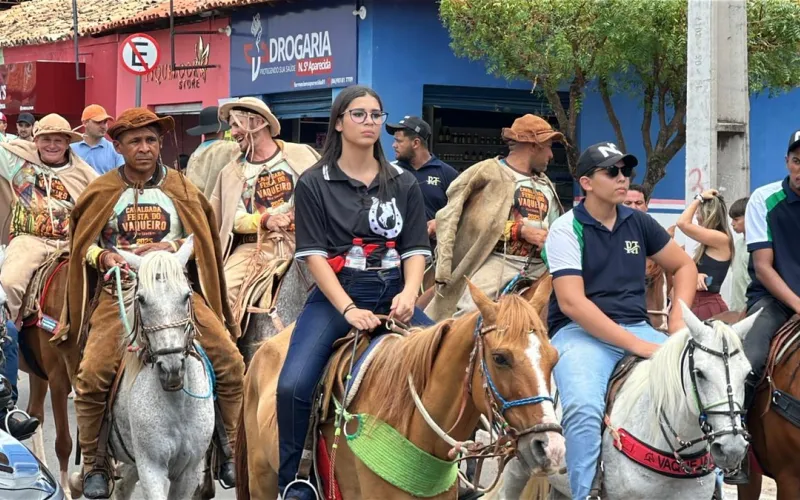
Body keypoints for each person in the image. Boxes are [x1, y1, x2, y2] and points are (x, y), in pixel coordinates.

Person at [55, 108, 244, 498]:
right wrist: (104, 257)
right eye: (136, 141)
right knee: (92, 375)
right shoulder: (102, 190)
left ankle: (229, 447)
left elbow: (202, 241)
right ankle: (95, 464)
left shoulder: (182, 188)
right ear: (118, 146)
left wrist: (171, 247)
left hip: (175, 287)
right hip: (121, 289)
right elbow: (83, 245)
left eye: (152, 141)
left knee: (230, 361)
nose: (145, 148)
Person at [277, 85, 433, 500]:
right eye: (359, 114)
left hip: (395, 293)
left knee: (456, 358)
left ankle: (461, 470)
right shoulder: (314, 183)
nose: (370, 122)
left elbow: (416, 248)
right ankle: (295, 478)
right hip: (337, 296)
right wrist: (347, 309)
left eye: (376, 115)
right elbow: (311, 256)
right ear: (339, 122)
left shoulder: (403, 182)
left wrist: (410, 294)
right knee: (293, 384)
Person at [544, 142, 696, 500]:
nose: (622, 178)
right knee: (583, 408)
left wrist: (677, 322)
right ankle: (585, 492)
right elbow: (572, 303)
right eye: (611, 172)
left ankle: (710, 485)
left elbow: (684, 265)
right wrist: (637, 345)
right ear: (586, 182)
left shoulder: (639, 222)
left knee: (697, 386)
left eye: (625, 171)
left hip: (638, 327)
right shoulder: (566, 228)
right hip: (579, 335)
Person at [0, 114, 96, 438]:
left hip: (69, 244)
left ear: (69, 142)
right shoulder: (17, 161)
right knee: (9, 283)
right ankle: (5, 343)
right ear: (35, 140)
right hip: (30, 240)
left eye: (59, 139)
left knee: (103, 284)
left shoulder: (85, 174)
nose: (52, 144)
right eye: (46, 139)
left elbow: (102, 204)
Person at [426, 114, 564, 321]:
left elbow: (556, 224)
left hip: (543, 267)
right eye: (548, 147)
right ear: (533, 146)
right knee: (469, 311)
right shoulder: (489, 172)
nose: (551, 155)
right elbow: (469, 218)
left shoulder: (546, 184)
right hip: (502, 261)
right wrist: (521, 231)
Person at [724, 131, 800, 485]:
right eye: (797, 160)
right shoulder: (764, 199)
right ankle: (739, 450)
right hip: (773, 300)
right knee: (748, 365)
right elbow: (765, 267)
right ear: (787, 162)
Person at [210, 97, 320, 326]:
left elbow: (322, 196)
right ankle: (226, 356)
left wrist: (297, 214)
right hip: (254, 249)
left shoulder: (301, 155)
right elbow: (234, 218)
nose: (233, 132)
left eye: (236, 124)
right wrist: (265, 220)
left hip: (304, 242)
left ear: (256, 122)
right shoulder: (232, 172)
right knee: (221, 293)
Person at [386, 115, 458, 239]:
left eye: (399, 141)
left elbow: (461, 212)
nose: (394, 145)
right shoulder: (390, 172)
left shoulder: (447, 173)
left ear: (416, 143)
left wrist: (440, 223)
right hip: (395, 249)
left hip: (435, 251)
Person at [676, 188, 734, 320]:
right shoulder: (711, 241)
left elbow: (682, 223)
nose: (696, 216)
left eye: (698, 212)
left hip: (707, 307)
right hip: (698, 304)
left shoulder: (721, 239)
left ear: (707, 214)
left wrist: (699, 198)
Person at [624, 184, 670, 330]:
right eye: (628, 203)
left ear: (646, 206)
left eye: (638, 203)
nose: (634, 207)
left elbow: (678, 268)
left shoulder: (655, 234)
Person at [185, 105, 240, 199]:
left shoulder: (194, 154)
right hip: (218, 209)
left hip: (198, 210)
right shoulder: (229, 148)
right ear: (221, 129)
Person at [70, 105, 125, 174]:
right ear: (85, 123)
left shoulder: (115, 150)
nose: (103, 126)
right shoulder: (71, 149)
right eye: (98, 122)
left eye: (105, 122)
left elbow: (121, 178)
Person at [728, 197, 750, 313]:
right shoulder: (738, 245)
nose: (732, 224)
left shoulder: (760, 249)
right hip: (737, 309)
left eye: (736, 219)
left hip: (753, 309)